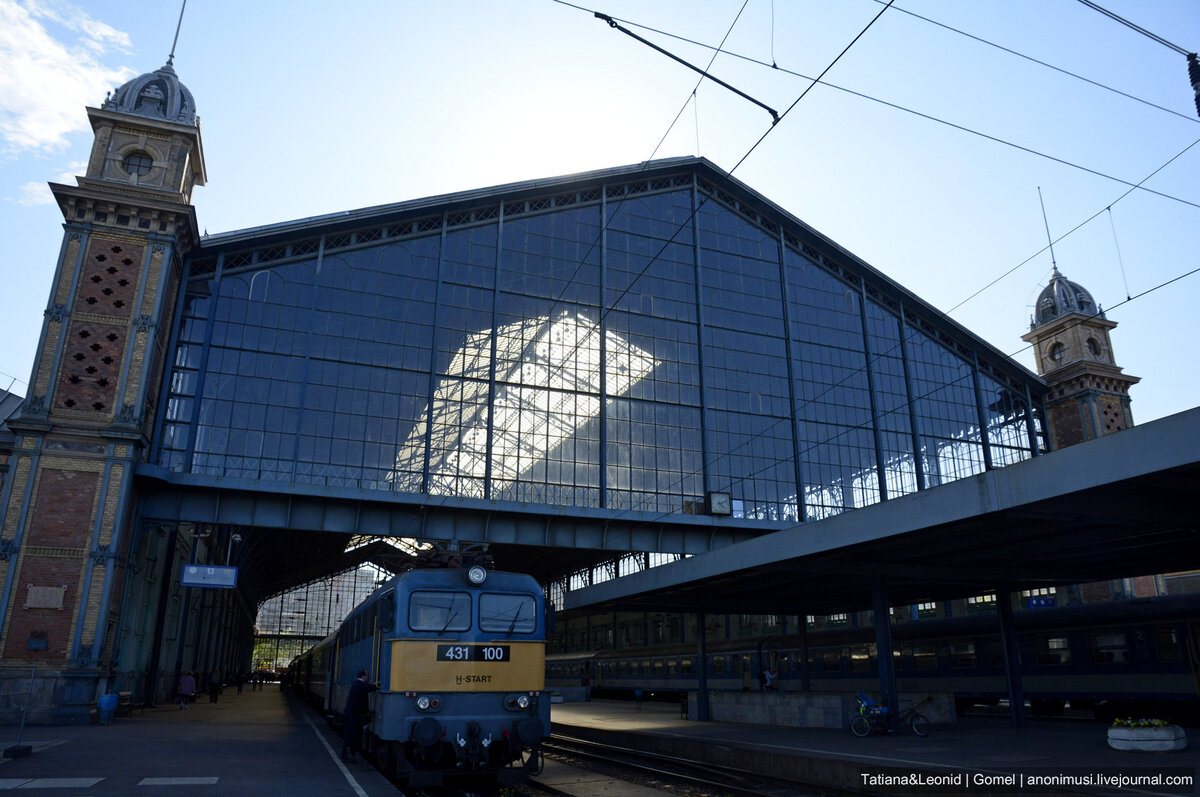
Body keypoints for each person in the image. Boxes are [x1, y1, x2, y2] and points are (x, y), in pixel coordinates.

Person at [341, 669, 378, 762]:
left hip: (353, 715)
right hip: (353, 716)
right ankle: (346, 755)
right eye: (367, 676)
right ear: (363, 676)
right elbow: (370, 688)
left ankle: (350, 754)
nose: (368, 677)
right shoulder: (359, 684)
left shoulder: (356, 684)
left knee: (354, 735)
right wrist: (378, 685)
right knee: (351, 735)